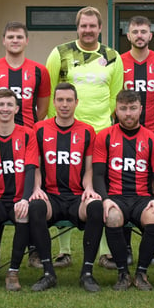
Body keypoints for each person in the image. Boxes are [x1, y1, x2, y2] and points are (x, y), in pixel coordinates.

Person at [44, 6, 123, 267]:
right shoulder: (60, 52)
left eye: (92, 26)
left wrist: (100, 122)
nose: (88, 30)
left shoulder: (112, 56)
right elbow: (50, 90)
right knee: (62, 186)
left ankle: (104, 251)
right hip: (63, 131)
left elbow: (115, 96)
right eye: (83, 25)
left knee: (99, 190)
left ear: (100, 28)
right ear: (77, 28)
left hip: (99, 133)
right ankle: (63, 251)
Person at [99, 15, 154, 270]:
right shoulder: (116, 61)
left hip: (152, 134)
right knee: (121, 184)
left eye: (144, 31)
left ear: (151, 36)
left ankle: (150, 245)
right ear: (127, 36)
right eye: (134, 31)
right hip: (121, 132)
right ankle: (124, 248)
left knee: (148, 187)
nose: (139, 35)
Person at [27, 83, 103, 292]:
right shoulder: (40, 129)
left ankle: (87, 273)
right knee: (35, 207)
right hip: (50, 195)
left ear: (76, 103)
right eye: (60, 100)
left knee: (96, 207)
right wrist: (36, 189)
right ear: (53, 103)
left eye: (69, 100)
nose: (64, 105)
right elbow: (36, 165)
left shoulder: (87, 131)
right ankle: (48, 272)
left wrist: (89, 188)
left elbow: (89, 168)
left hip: (76, 197)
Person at [92, 89, 154, 291]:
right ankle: (122, 273)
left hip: (142, 198)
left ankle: (141, 273)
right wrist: (105, 199)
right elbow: (97, 175)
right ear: (116, 110)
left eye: (132, 108)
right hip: (116, 197)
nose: (128, 113)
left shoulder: (152, 139)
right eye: (123, 109)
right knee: (112, 217)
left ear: (141, 109)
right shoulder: (104, 136)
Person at [0, 88, 39, 291]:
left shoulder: (28, 135)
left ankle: (13, 273)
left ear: (17, 108)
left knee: (23, 214)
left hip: (18, 198)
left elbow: (30, 169)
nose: (5, 109)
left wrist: (25, 199)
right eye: (1, 105)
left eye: (9, 104)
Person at [0, 21, 50, 129]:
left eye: (19, 37)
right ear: (4, 41)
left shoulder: (40, 70)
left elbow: (43, 109)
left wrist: (30, 129)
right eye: (10, 37)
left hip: (29, 137)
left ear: (27, 41)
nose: (15, 40)